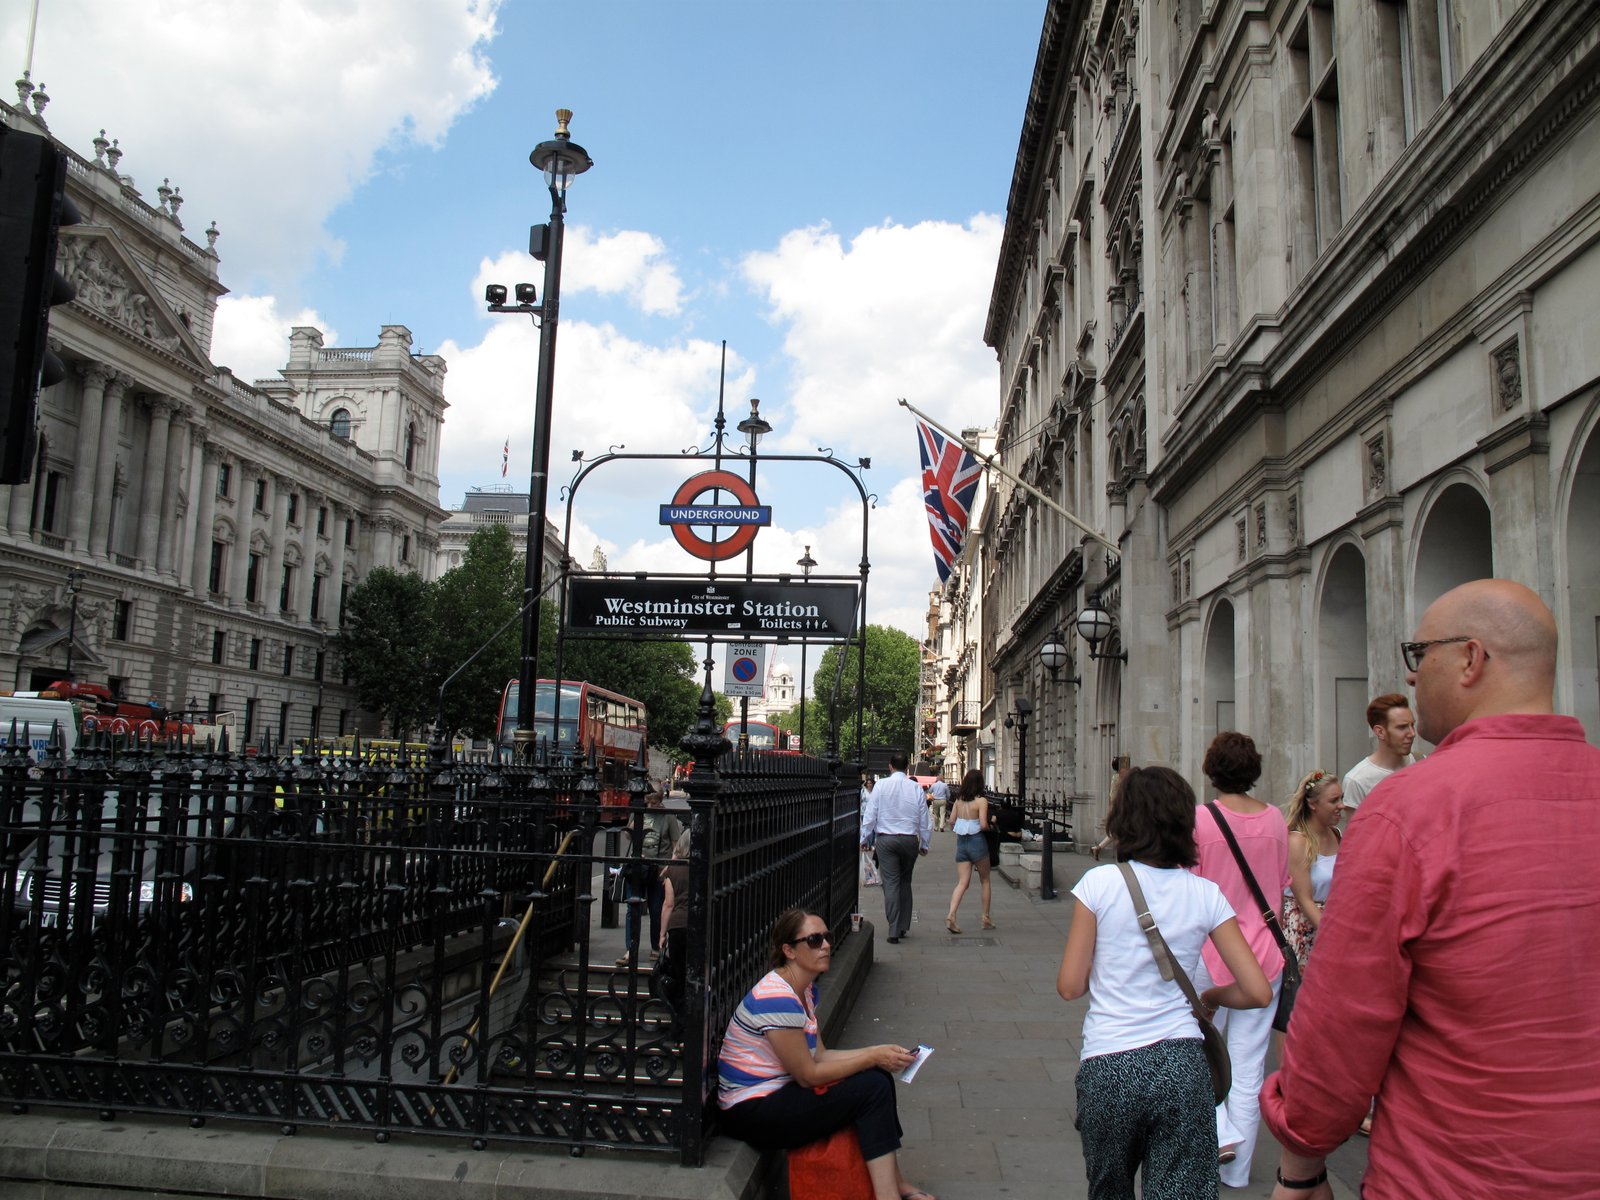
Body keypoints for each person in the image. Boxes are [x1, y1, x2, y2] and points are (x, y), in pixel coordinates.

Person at [1261, 579, 1600, 1199]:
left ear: (1472, 659)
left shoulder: (1407, 810)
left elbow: (1342, 1021)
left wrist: (1301, 1162)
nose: (1412, 676)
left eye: (1420, 654)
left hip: (1454, 1174)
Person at [1058, 765, 1272, 1199]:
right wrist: (1210, 995)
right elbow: (1258, 991)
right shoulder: (1206, 893)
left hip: (1110, 1063)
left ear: (1124, 819)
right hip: (1181, 1066)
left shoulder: (1098, 884)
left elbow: (1070, 986)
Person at [717, 908, 936, 1200]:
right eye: (814, 940)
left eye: (827, 937)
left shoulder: (803, 989)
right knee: (872, 1087)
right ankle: (889, 1194)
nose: (826, 946)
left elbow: (819, 1054)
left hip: (775, 1094)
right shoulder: (777, 997)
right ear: (789, 951)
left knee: (878, 1077)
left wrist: (878, 1053)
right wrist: (872, 1058)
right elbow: (808, 1075)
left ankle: (895, 1184)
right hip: (751, 1110)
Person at [1191, 730, 1288, 1187]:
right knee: (1249, 1068)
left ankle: (1218, 1135)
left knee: (1198, 1055)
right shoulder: (1275, 820)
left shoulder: (1201, 819)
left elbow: (1191, 887)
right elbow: (1281, 884)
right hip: (1264, 957)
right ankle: (1239, 1172)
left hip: (1211, 953)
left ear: (1212, 770)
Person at [860, 750, 931, 944]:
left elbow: (870, 814)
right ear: (907, 767)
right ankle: (903, 925)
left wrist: (864, 838)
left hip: (886, 840)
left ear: (890, 767)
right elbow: (924, 818)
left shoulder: (881, 786)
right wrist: (925, 842)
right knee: (905, 882)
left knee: (890, 883)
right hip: (909, 840)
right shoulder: (915, 788)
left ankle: (893, 928)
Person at [1280, 771, 1342, 971]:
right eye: (1334, 800)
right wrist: (1336, 938)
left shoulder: (1337, 835)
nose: (1341, 805)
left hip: (1332, 921)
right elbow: (1305, 900)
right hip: (1305, 929)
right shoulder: (1297, 841)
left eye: (1341, 798)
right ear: (1313, 804)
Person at [618, 791, 682, 967]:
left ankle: (656, 947)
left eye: (654, 803)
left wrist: (669, 867)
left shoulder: (668, 817)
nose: (650, 806)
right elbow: (627, 835)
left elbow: (676, 845)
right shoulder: (639, 812)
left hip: (658, 870)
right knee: (632, 908)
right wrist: (635, 822)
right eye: (648, 802)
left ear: (660, 801)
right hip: (638, 867)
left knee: (656, 910)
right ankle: (630, 949)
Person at [1339, 693, 1415, 811]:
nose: (1412, 733)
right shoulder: (1357, 780)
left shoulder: (1420, 762)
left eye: (1412, 725)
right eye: (1402, 727)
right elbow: (1356, 823)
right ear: (1380, 732)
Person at [944, 770, 996, 934]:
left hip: (962, 843)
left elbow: (952, 821)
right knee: (985, 880)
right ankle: (985, 917)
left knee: (962, 882)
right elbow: (983, 824)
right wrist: (991, 826)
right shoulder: (981, 801)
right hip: (977, 841)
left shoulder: (959, 800)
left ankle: (951, 914)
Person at [656, 828, 693, 1017]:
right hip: (697, 925)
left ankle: (679, 1020)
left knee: (679, 973)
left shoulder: (672, 870)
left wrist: (662, 934)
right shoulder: (702, 867)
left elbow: (668, 904)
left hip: (677, 927)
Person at [1092, 757, 1132, 861]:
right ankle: (1100, 848)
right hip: (1122, 809)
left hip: (1121, 808)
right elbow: (1113, 795)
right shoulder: (1118, 779)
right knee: (1120, 832)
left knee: (1117, 832)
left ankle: (1098, 848)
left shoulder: (1119, 778)